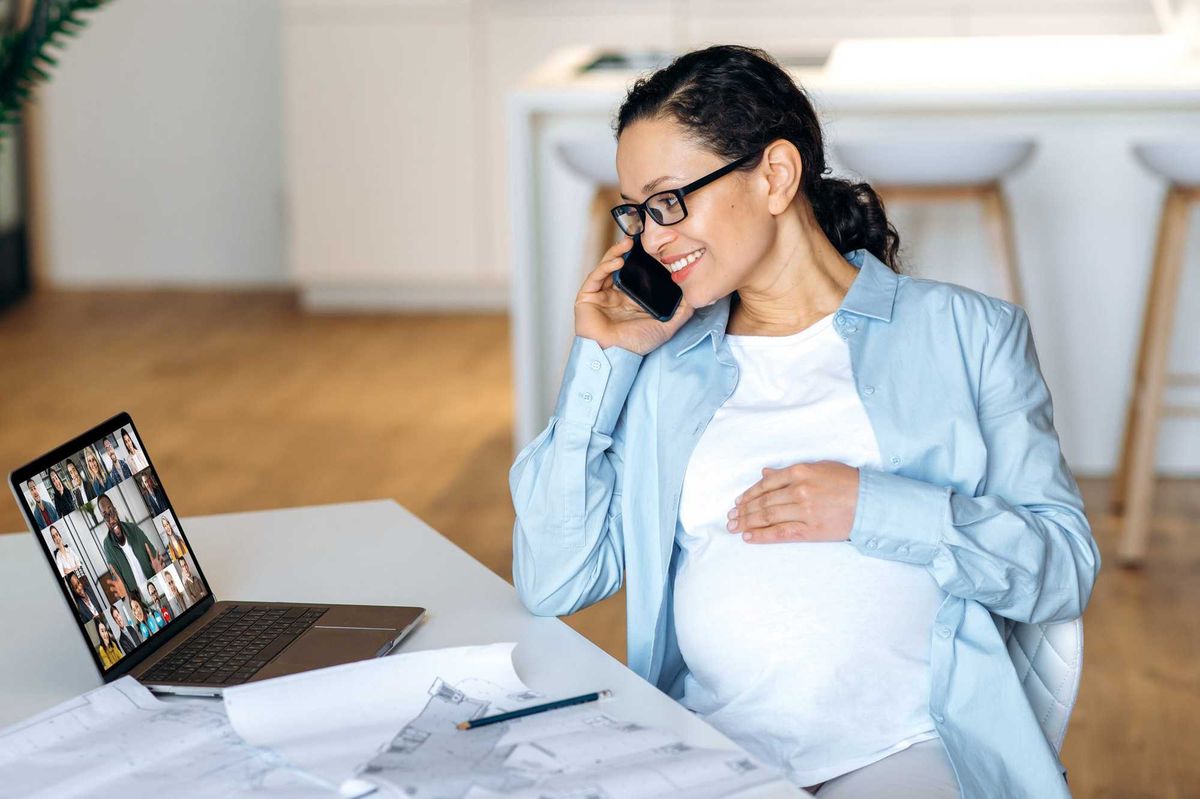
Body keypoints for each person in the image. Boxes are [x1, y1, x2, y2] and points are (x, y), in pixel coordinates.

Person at [508, 45, 1101, 799]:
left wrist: (873, 504)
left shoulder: (968, 335)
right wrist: (600, 360)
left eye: (668, 201)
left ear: (776, 175)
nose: (651, 239)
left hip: (908, 743)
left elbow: (1062, 566)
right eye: (636, 212)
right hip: (709, 745)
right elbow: (556, 576)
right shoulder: (663, 366)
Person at [96, 494, 164, 606]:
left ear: (116, 511)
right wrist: (126, 596)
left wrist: (159, 573)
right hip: (138, 602)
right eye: (106, 516)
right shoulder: (107, 546)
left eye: (111, 511)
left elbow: (154, 558)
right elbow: (118, 579)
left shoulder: (133, 529)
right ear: (104, 521)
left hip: (155, 588)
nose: (111, 519)